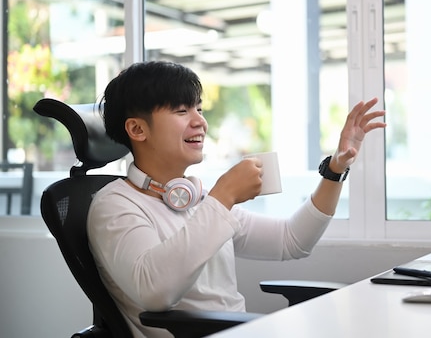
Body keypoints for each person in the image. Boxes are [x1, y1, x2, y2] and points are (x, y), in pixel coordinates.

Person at [87, 60, 386, 337]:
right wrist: (224, 195)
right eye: (182, 111)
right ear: (137, 129)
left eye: (199, 110)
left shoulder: (196, 199)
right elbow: (155, 291)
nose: (200, 122)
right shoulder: (114, 205)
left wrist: (335, 170)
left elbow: (292, 240)